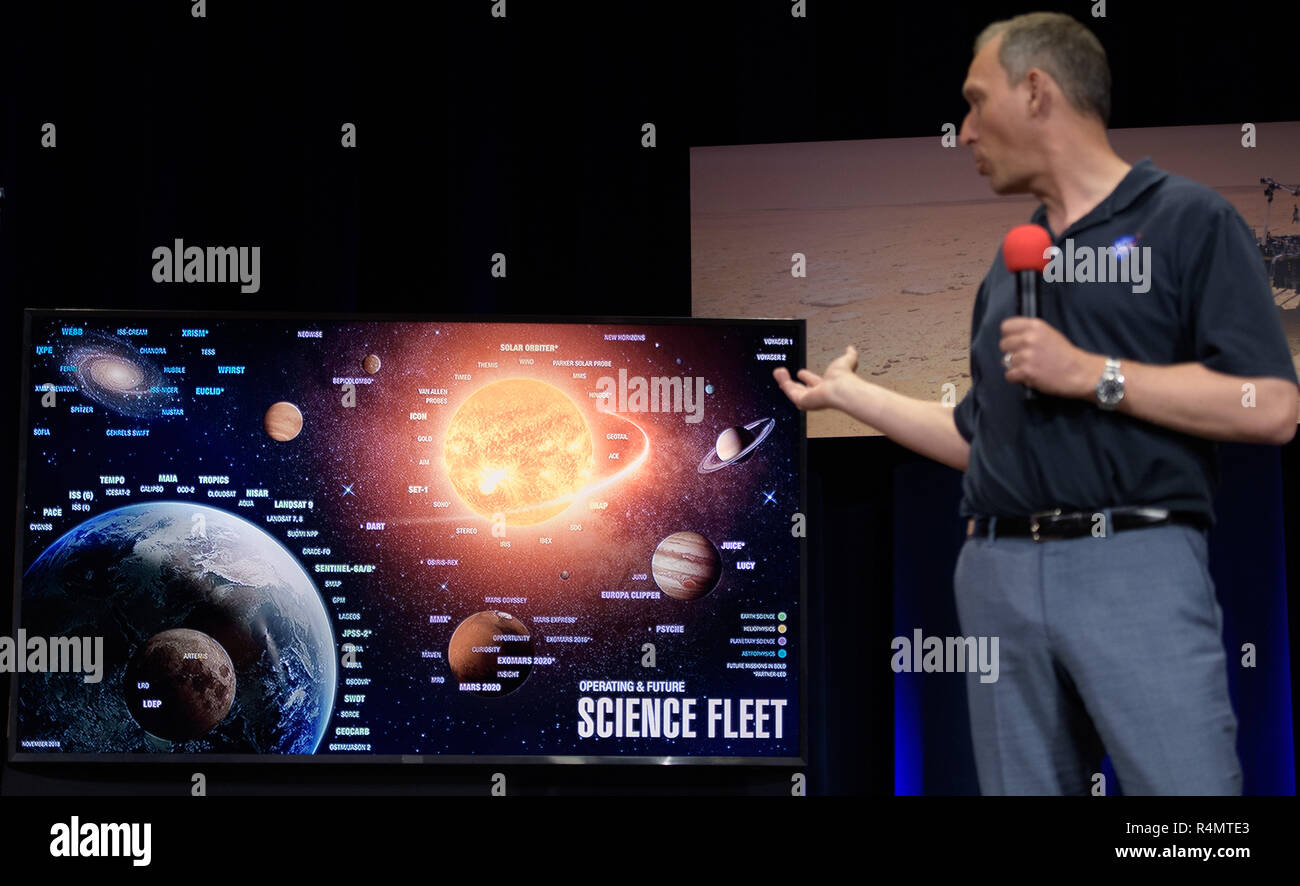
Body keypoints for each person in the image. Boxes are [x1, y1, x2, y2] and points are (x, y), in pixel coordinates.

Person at [774, 11, 1299, 795]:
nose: (963, 132)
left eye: (976, 102)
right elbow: (979, 439)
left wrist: (1093, 374)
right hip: (994, 573)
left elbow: (1272, 407)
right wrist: (853, 396)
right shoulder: (1010, 262)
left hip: (1133, 564)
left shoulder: (1191, 221)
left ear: (1036, 91)